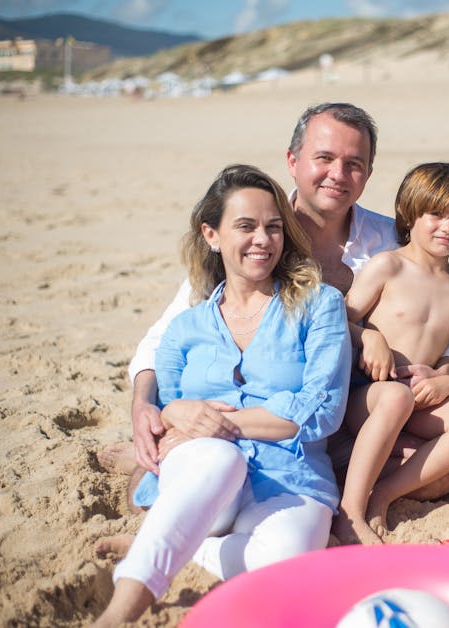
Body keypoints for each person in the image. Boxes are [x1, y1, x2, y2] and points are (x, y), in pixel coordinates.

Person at [94, 164, 352, 626]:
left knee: (282, 563)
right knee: (218, 457)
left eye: (274, 227)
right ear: (211, 234)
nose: (263, 240)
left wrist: (213, 422)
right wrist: (174, 410)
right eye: (246, 226)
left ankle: (174, 543)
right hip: (202, 480)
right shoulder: (185, 327)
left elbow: (321, 410)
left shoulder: (320, 305)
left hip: (292, 481)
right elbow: (167, 416)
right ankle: (121, 610)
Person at [118, 103, 395, 482]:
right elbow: (166, 335)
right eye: (324, 158)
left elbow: (433, 302)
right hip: (268, 416)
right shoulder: (250, 240)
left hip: (345, 406)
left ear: (368, 173)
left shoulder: (390, 241)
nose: (338, 174)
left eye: (354, 163)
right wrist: (143, 406)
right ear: (292, 160)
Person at [334, 162, 449, 545]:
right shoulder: (388, 266)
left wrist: (448, 379)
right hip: (367, 394)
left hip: (417, 399)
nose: (448, 228)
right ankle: (350, 511)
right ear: (410, 213)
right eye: (436, 214)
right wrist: (371, 339)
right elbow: (337, 323)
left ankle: (383, 494)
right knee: (395, 396)